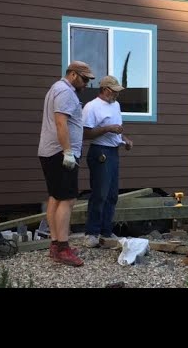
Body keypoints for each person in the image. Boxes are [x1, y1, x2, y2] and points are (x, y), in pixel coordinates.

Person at [38, 60, 95, 266]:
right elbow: (61, 122)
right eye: (85, 79)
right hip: (60, 153)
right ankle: (62, 248)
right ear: (73, 75)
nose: (87, 83)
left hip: (51, 152)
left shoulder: (56, 88)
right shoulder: (65, 92)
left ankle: (55, 245)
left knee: (55, 197)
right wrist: (68, 152)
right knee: (68, 199)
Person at [82, 75, 133, 248]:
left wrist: (124, 139)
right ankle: (91, 233)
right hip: (99, 152)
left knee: (112, 195)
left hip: (113, 152)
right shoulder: (91, 107)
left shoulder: (116, 105)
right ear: (105, 90)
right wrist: (108, 129)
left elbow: (116, 129)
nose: (117, 95)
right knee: (99, 194)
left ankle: (106, 231)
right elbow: (86, 134)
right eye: (114, 92)